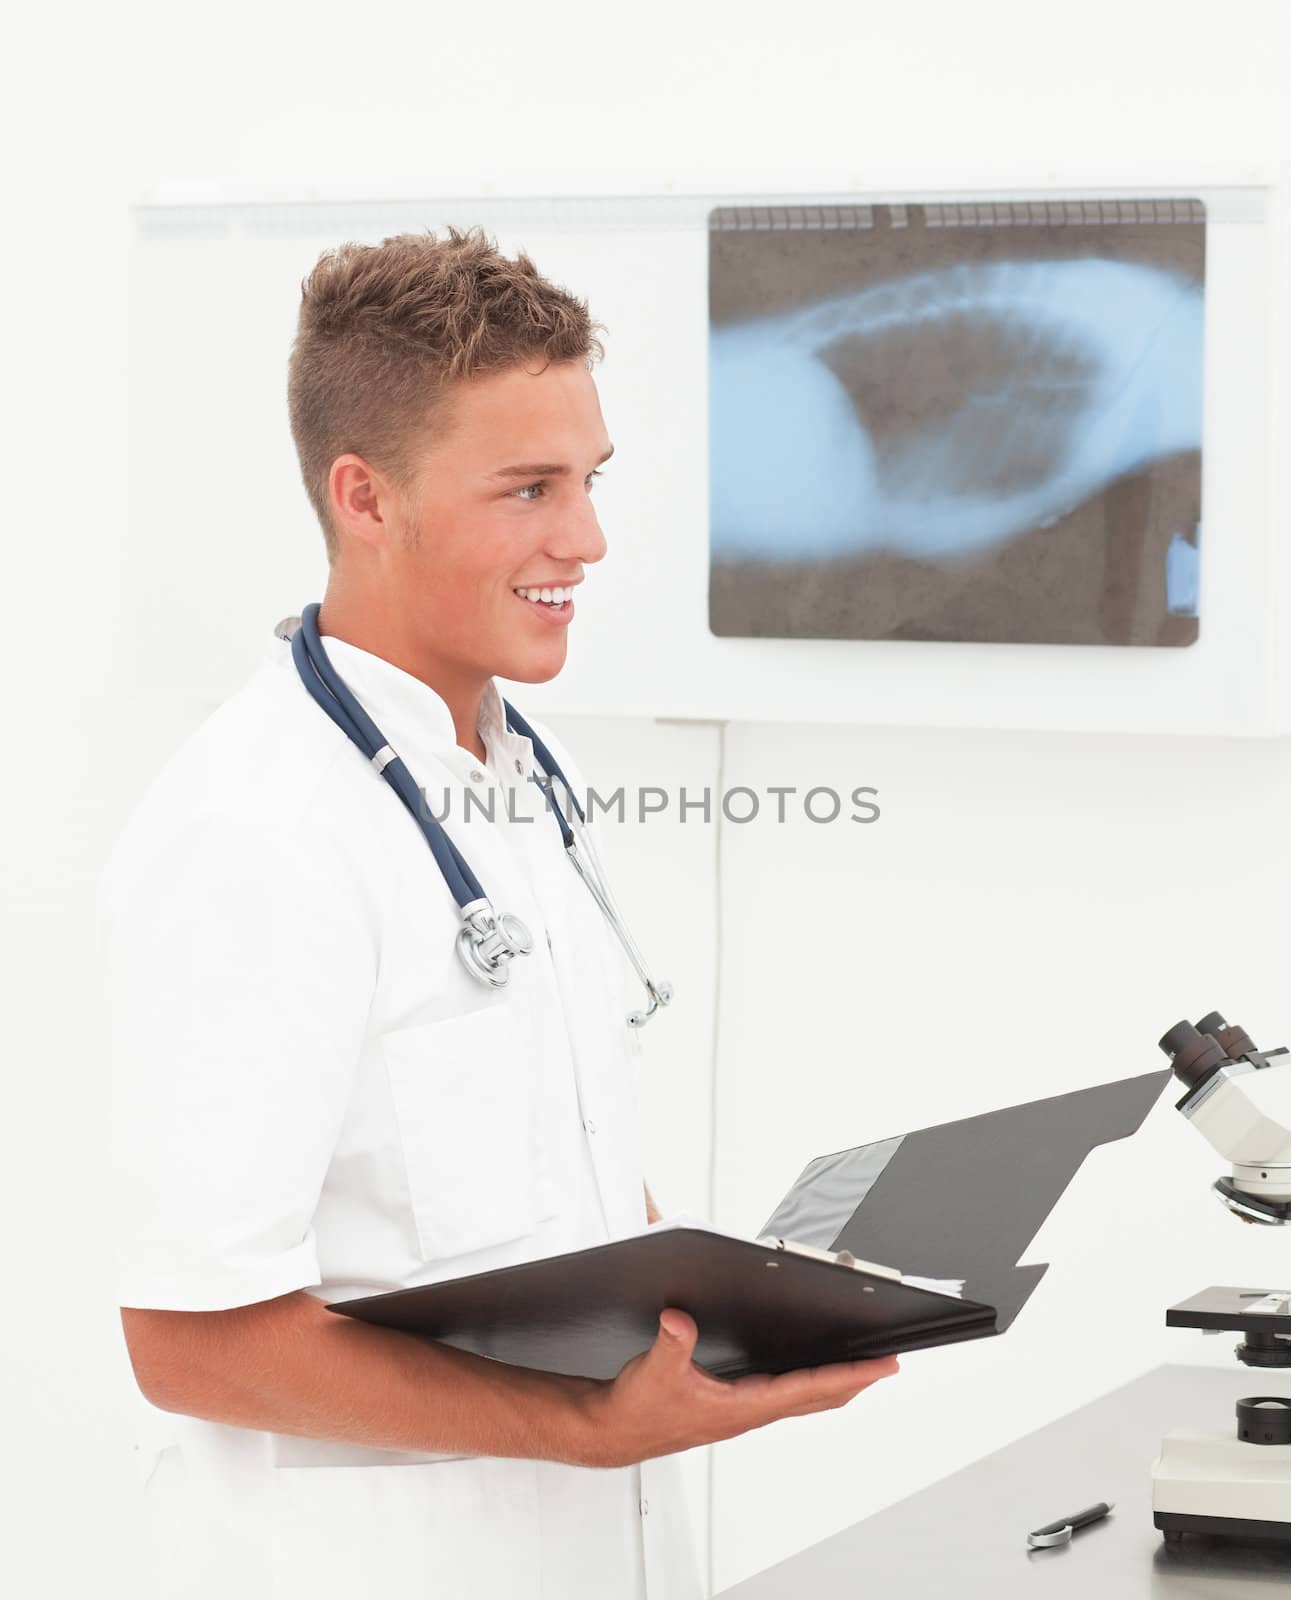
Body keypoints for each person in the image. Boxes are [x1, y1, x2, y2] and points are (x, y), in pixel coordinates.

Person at [97, 227, 899, 1600]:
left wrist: (740, 1311)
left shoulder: (530, 771)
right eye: (528, 489)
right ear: (366, 496)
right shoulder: (257, 834)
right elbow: (194, 1342)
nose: (584, 540)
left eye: (587, 481)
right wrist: (582, 1430)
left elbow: (549, 1152)